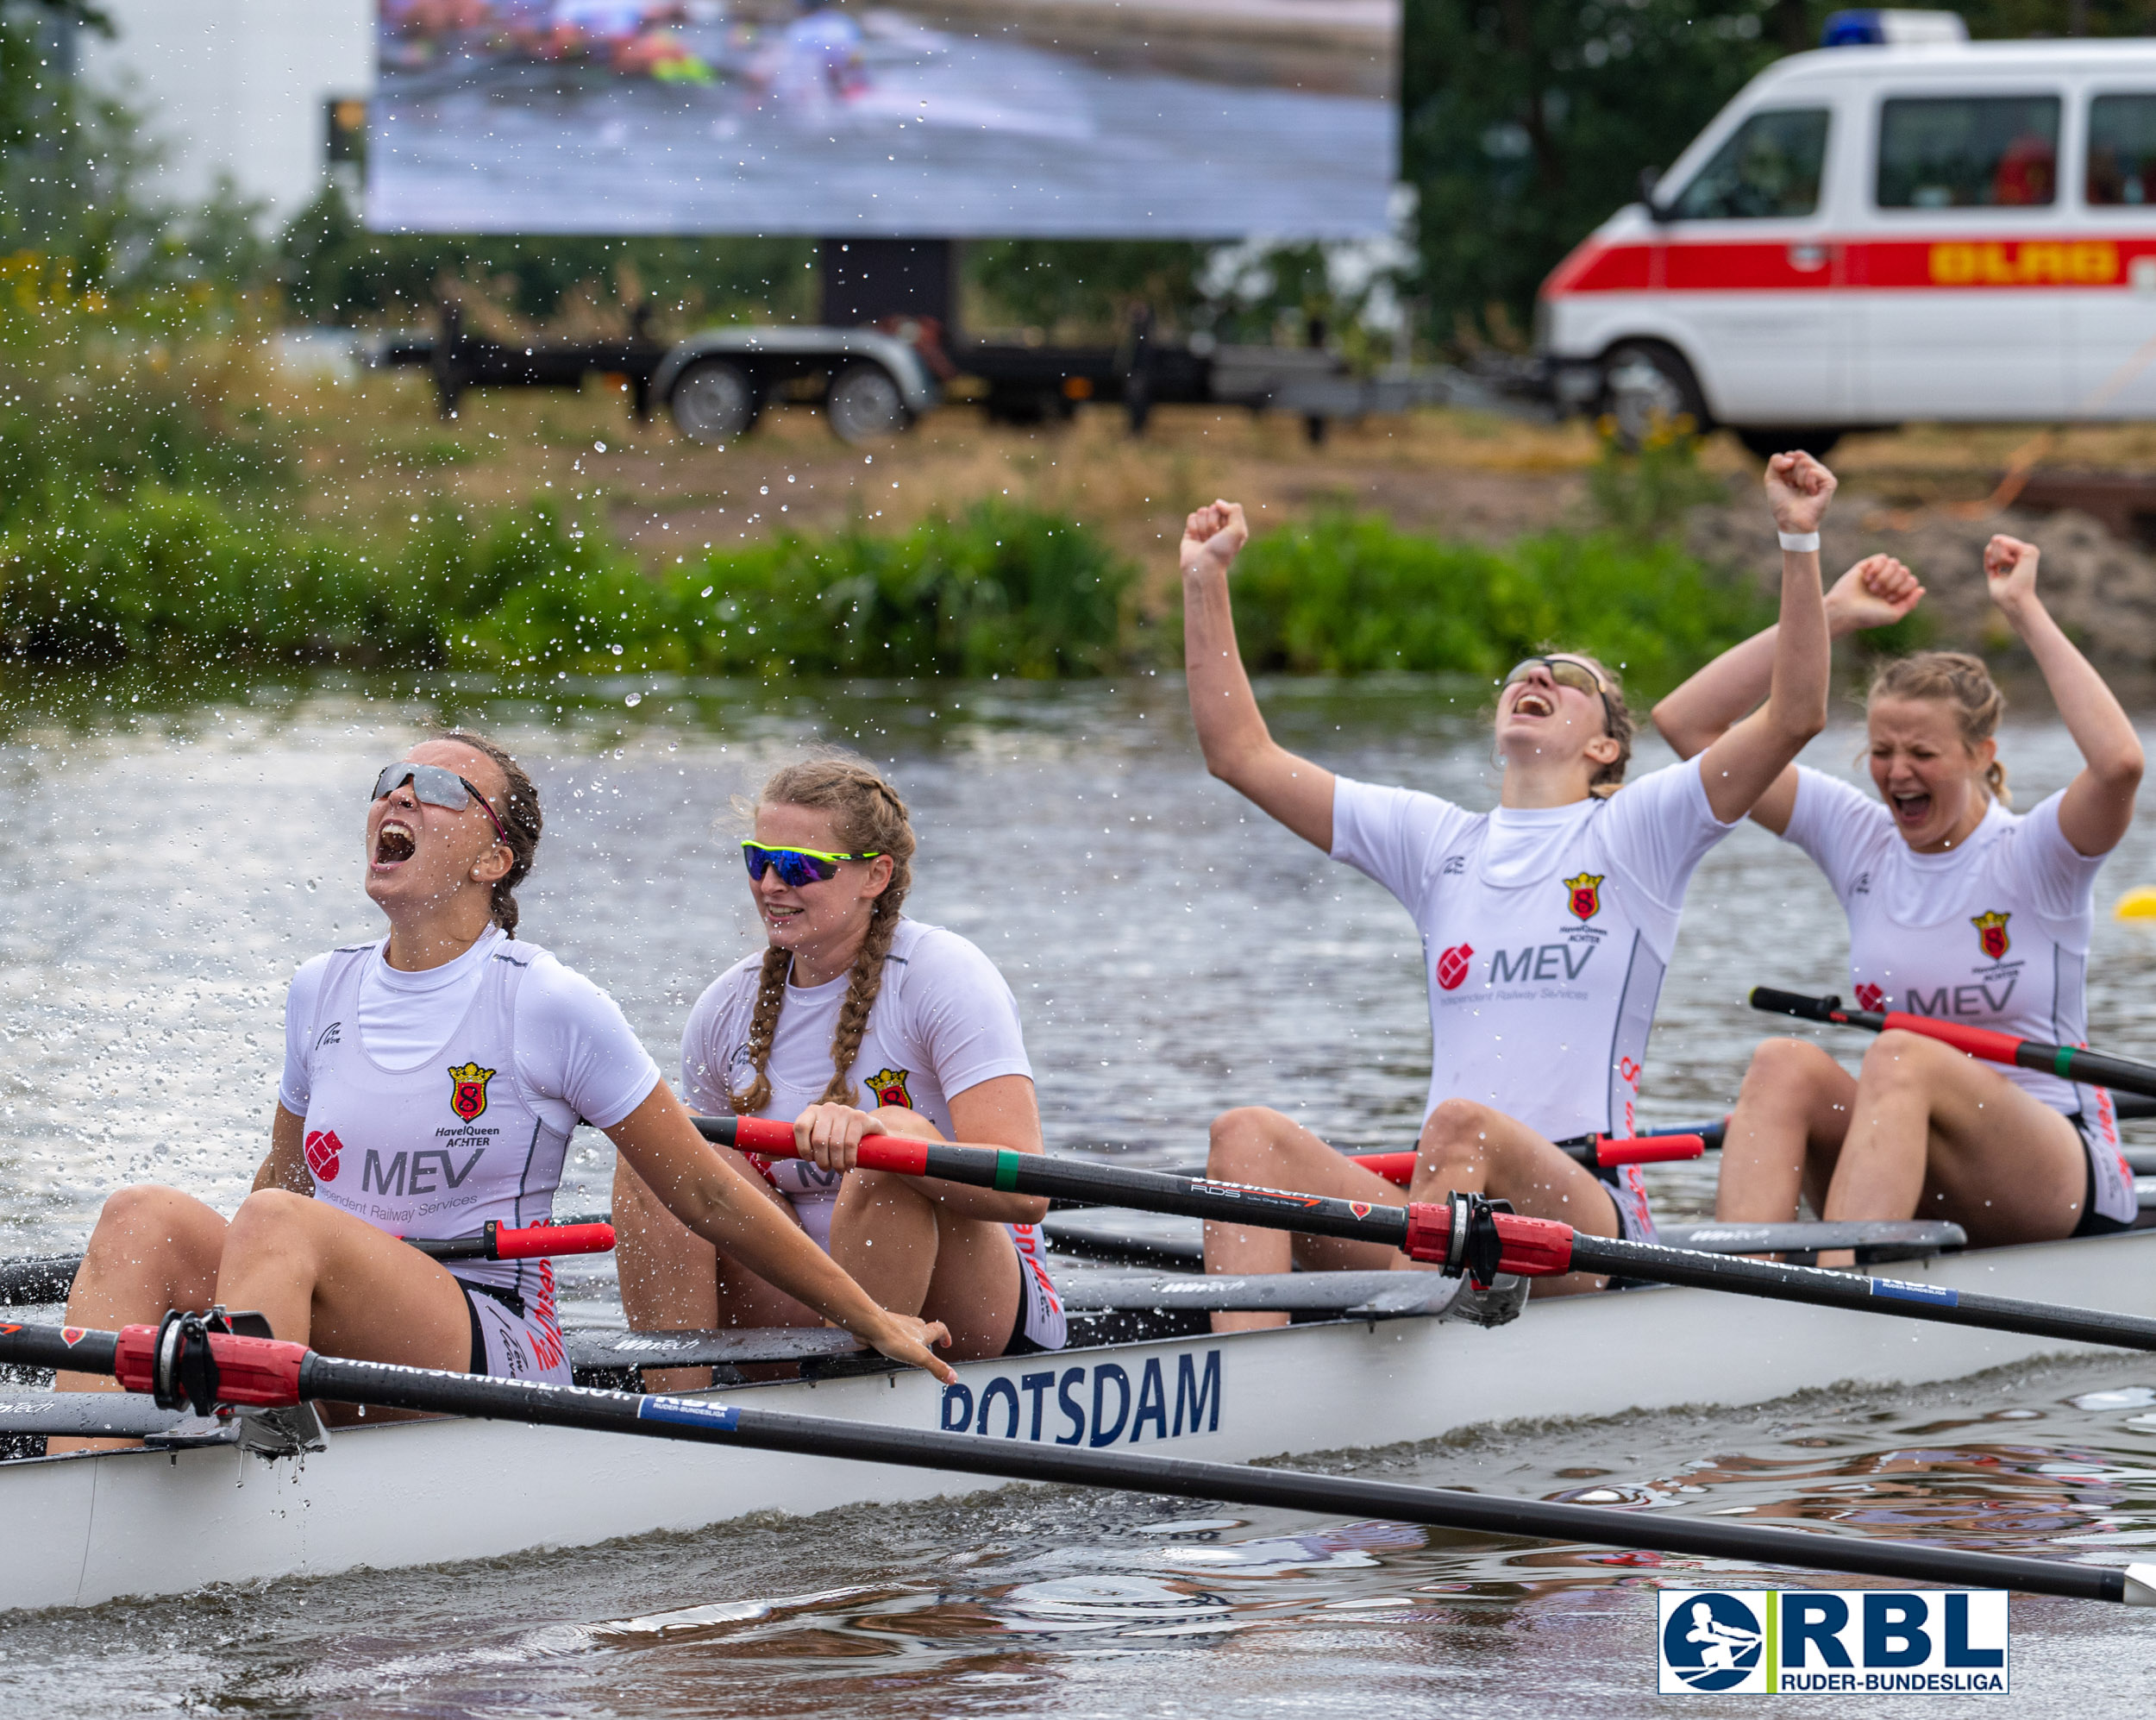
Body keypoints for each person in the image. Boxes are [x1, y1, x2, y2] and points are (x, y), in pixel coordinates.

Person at [53, 731, 954, 1450]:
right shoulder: (316, 989)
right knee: (142, 1215)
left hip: (490, 1332)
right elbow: (280, 1182)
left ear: (494, 857)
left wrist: (871, 1318)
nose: (399, 794)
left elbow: (707, 1191)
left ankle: (256, 1463)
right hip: (341, 1311)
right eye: (390, 778)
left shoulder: (546, 1000)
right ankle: (81, 1478)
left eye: (440, 788)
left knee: (281, 1226)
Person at [1183, 452, 1839, 1325]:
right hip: (1441, 1214)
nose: (1536, 678)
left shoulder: (1636, 832)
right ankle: (1252, 1398)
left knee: (1464, 1124)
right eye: (1525, 673)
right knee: (1244, 1136)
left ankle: (1406, 1338)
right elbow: (1241, 755)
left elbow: (1793, 713)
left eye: (1570, 681)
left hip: (1586, 1216)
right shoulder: (1436, 842)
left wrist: (1799, 542)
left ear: (1606, 748)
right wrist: (1203, 579)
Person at [1653, 535, 2144, 1253]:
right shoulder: (1858, 835)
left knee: (1901, 1052)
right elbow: (1688, 726)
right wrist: (1828, 615)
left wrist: (2025, 610)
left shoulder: (2037, 854)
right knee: (1782, 1063)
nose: (1896, 772)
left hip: (2055, 1170)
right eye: (1882, 751)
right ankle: (1743, 1293)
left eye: (1922, 753)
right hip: (1918, 1159)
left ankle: (1843, 1281)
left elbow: (2121, 765)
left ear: (1982, 756)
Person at [614, 755, 1062, 1391]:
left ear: (874, 875)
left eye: (799, 866)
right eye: (756, 860)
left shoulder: (945, 976)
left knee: (894, 1137)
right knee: (660, 1144)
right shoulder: (727, 1006)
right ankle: (677, 1411)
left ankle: (864, 1384)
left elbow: (1028, 1193)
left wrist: (882, 1138)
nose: (771, 883)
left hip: (969, 1312)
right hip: (803, 1303)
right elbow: (699, 1197)